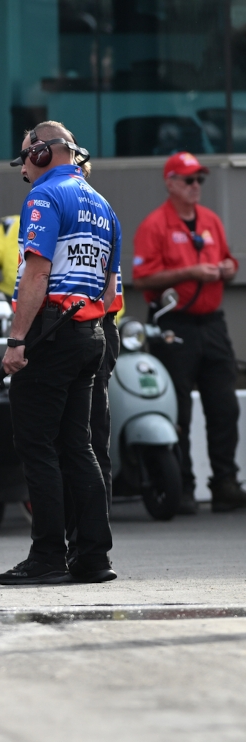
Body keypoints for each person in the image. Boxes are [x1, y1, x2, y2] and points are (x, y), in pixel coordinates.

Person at [0, 121, 119, 586]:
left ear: (43, 153)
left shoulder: (44, 197)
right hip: (91, 332)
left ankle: (47, 555)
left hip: (52, 332)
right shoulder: (103, 204)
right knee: (79, 446)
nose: (22, 169)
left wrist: (17, 341)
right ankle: (93, 556)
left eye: (25, 158)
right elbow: (109, 287)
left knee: (37, 445)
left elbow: (37, 274)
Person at [132, 152, 246, 513]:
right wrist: (190, 273)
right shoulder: (155, 225)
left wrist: (227, 268)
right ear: (171, 183)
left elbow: (229, 260)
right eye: (189, 180)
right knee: (178, 408)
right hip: (174, 325)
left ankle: (225, 482)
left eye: (199, 180)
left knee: (224, 406)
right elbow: (142, 278)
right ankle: (180, 487)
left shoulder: (210, 220)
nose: (196, 186)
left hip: (212, 323)